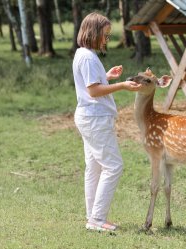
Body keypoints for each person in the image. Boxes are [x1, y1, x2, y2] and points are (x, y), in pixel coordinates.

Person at [72, 12, 141, 232]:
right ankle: (97, 219)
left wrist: (107, 76)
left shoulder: (83, 54)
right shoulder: (88, 57)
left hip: (89, 117)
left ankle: (92, 217)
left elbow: (90, 83)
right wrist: (122, 86)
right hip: (95, 119)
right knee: (113, 166)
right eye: (105, 35)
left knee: (94, 167)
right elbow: (93, 91)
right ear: (93, 32)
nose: (106, 40)